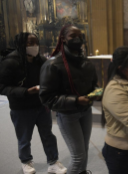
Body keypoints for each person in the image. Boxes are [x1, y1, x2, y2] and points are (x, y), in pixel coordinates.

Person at [0, 32, 67, 174]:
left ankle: (53, 162)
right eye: (29, 43)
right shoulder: (10, 62)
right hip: (21, 108)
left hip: (41, 105)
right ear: (21, 44)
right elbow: (2, 87)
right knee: (24, 138)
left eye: (36, 42)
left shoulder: (41, 60)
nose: (34, 46)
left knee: (47, 135)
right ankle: (26, 162)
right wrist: (25, 91)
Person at [39, 25, 98, 174]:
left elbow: (93, 85)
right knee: (78, 158)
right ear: (63, 39)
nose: (78, 39)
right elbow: (47, 98)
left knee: (84, 153)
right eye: (73, 36)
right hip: (67, 115)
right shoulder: (52, 64)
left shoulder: (85, 61)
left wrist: (97, 92)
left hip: (86, 112)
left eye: (80, 36)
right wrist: (76, 100)